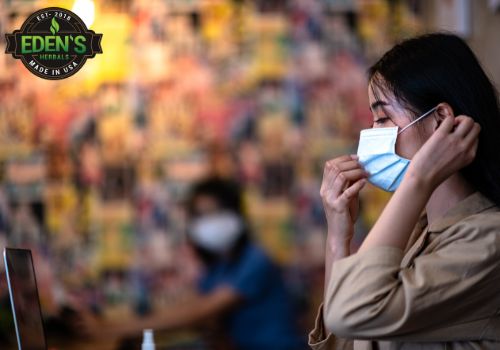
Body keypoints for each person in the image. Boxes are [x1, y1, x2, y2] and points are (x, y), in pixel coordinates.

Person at [309, 33, 500, 349]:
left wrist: (418, 179)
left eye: (383, 118)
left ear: (440, 121)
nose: (372, 134)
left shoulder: (488, 238)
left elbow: (352, 312)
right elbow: (345, 342)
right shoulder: (418, 233)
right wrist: (338, 237)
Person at [79, 176, 306, 350]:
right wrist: (107, 323)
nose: (208, 222)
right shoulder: (218, 269)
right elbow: (191, 308)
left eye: (215, 212)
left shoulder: (255, 260)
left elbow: (198, 312)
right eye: (200, 215)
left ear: (235, 213)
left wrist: (106, 329)